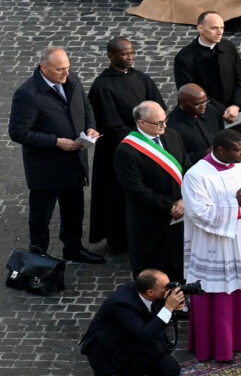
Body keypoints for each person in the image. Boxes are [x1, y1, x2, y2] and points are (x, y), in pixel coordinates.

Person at [182, 130, 241, 362]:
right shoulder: (196, 175)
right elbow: (198, 212)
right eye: (238, 150)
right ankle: (221, 346)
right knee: (221, 291)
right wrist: (235, 203)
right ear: (220, 150)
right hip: (216, 244)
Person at [8, 46, 104, 263]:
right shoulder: (28, 94)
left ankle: (73, 248)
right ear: (44, 68)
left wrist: (90, 127)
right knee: (41, 214)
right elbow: (18, 132)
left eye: (67, 67)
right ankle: (38, 255)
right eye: (60, 69)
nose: (66, 73)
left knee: (74, 209)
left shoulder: (71, 80)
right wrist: (56, 142)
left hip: (73, 161)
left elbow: (86, 107)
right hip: (46, 167)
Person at [88, 37, 167, 252]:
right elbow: (112, 125)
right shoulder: (102, 86)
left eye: (132, 52)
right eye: (124, 54)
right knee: (117, 196)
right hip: (118, 150)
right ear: (111, 56)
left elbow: (159, 107)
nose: (130, 57)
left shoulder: (142, 79)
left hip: (147, 144)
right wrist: (143, 139)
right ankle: (119, 240)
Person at [80, 269, 185, 376]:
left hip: (131, 338)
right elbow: (145, 335)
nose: (169, 290)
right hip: (111, 352)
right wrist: (168, 307)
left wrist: (175, 307)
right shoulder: (122, 304)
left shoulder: (146, 291)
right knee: (151, 348)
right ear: (150, 292)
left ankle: (141, 366)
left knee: (170, 370)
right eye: (166, 287)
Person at [114, 101, 191, 281]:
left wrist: (183, 199)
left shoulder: (172, 135)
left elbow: (186, 167)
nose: (164, 126)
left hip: (180, 210)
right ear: (142, 123)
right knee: (154, 264)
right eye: (158, 123)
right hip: (150, 217)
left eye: (165, 120)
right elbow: (136, 190)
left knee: (178, 257)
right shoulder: (126, 151)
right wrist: (170, 206)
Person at [174, 11, 241, 126]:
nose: (220, 32)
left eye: (222, 28)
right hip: (205, 118)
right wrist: (223, 111)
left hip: (234, 113)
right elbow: (189, 93)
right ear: (200, 28)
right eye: (214, 28)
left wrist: (236, 105)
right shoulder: (184, 58)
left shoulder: (228, 47)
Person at [167, 83, 225, 164]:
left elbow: (222, 131)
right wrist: (205, 153)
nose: (203, 107)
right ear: (182, 102)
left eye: (205, 102)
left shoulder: (211, 110)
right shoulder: (171, 126)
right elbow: (179, 158)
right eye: (197, 105)